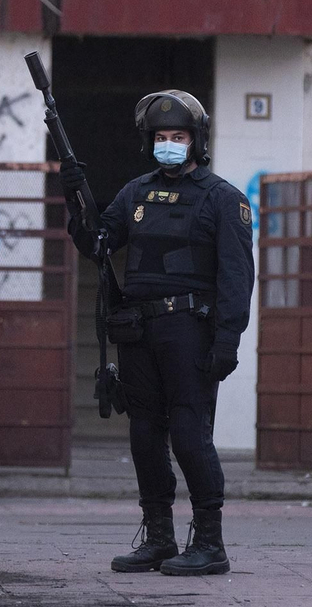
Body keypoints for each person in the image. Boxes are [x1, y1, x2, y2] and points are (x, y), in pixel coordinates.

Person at [61, 90, 254, 576]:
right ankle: (159, 538)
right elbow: (98, 244)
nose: (169, 144)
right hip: (139, 331)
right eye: (162, 137)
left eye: (179, 136)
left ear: (196, 141)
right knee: (144, 436)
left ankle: (210, 543)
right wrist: (75, 196)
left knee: (190, 434)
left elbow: (237, 280)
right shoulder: (135, 193)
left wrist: (226, 343)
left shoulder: (223, 199)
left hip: (190, 330)